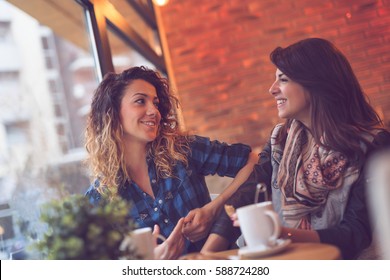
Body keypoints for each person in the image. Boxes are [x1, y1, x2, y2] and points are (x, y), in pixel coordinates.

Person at [201, 38, 390, 259]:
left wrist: (283, 234)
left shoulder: (374, 144)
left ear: (315, 84)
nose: (271, 89)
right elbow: (245, 197)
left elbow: (356, 234)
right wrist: (206, 256)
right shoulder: (280, 141)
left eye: (283, 79)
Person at [84, 66, 257, 259]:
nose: (154, 111)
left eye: (156, 103)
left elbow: (253, 161)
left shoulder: (182, 150)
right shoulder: (100, 199)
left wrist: (214, 209)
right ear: (113, 113)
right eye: (140, 101)